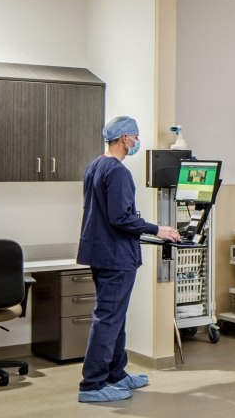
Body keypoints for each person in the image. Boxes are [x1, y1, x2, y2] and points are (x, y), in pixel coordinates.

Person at [75, 116, 180, 403]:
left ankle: (115, 374)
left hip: (100, 253)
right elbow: (120, 217)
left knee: (115, 318)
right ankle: (92, 385)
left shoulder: (95, 166)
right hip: (115, 257)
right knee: (108, 319)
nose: (136, 142)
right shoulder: (117, 172)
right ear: (124, 138)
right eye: (135, 137)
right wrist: (157, 229)